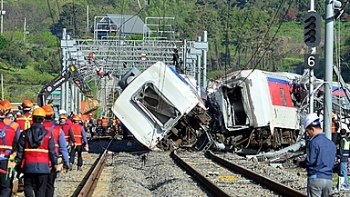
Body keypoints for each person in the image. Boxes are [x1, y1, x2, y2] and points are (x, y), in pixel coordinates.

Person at [15, 107, 58, 197]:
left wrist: (18, 164)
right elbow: (52, 151)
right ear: (43, 119)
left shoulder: (25, 134)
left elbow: (19, 151)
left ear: (32, 118)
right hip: (43, 167)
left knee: (28, 186)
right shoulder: (48, 134)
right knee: (41, 189)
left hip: (28, 166)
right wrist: (55, 163)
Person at [294, 113, 336, 197]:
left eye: (307, 131)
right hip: (328, 180)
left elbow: (310, 161)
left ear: (312, 129)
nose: (307, 134)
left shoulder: (314, 142)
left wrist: (300, 163)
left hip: (316, 178)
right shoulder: (331, 143)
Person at [42, 105, 70, 197]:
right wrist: (66, 162)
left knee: (40, 186)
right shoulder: (58, 129)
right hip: (53, 161)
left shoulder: (37, 128)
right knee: (50, 185)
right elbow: (63, 148)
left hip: (39, 161)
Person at [0, 104, 20, 196]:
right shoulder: (13, 127)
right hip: (6, 160)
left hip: (6, 159)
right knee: (6, 187)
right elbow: (17, 144)